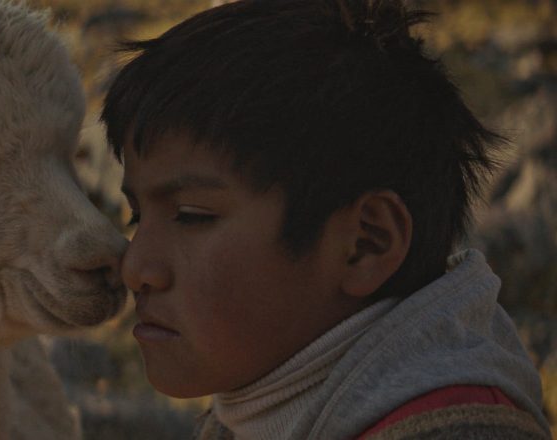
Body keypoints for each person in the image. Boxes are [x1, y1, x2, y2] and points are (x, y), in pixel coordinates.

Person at [100, 0, 552, 438]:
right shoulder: (265, 402)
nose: (136, 267)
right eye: (137, 216)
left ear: (365, 243)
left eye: (191, 216)